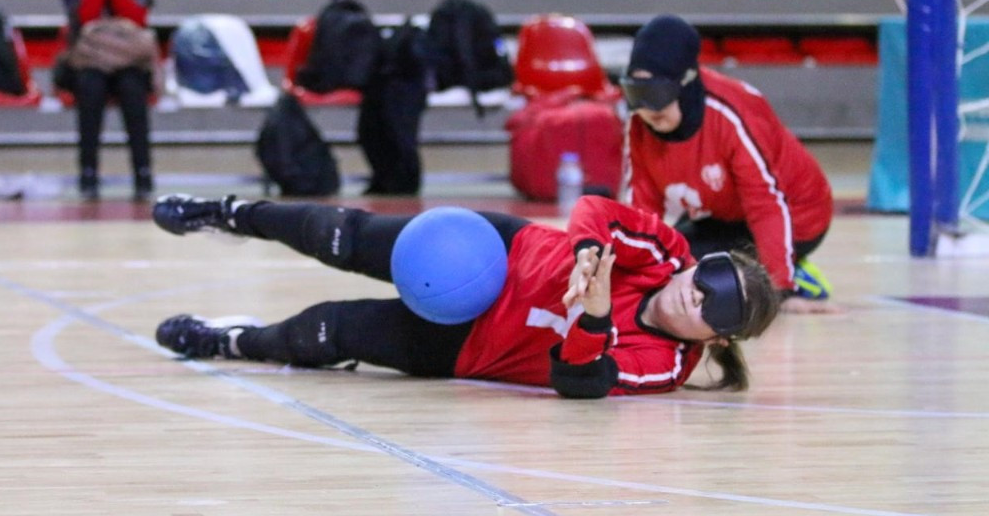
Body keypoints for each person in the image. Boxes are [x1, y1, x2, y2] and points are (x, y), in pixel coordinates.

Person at [150, 193, 780, 398]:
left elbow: (580, 381)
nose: (696, 297)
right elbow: (594, 209)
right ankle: (231, 214)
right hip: (491, 253)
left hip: (469, 343)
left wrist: (591, 316)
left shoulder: (668, 365)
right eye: (706, 282)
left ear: (717, 340)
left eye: (714, 310)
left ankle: (228, 340)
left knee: (329, 331)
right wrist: (587, 256)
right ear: (694, 265)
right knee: (342, 235)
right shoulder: (666, 251)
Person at [619, 15, 836, 314]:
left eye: (657, 94)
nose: (647, 108)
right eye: (636, 94)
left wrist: (778, 290)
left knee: (704, 276)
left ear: (685, 83)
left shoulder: (732, 114)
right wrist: (632, 279)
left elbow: (766, 203)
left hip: (798, 214)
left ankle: (797, 278)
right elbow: (642, 207)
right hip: (727, 215)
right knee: (673, 261)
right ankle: (763, 265)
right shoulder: (639, 123)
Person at [57, 0, 158, 201]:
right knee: (90, 88)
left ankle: (143, 173)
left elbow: (137, 15)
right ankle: (88, 174)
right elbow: (83, 14)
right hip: (89, 55)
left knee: (132, 89)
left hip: (129, 56)